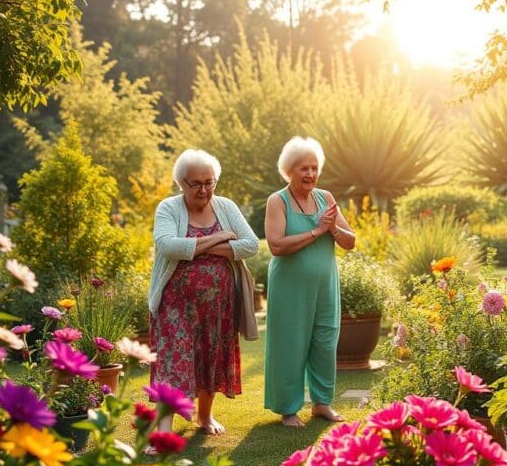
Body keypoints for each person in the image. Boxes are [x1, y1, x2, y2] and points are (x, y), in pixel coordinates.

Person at [147, 149, 259, 437]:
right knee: (174, 360)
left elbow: (250, 245)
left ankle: (204, 417)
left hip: (219, 305)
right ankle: (163, 431)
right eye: (196, 183)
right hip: (175, 303)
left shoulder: (225, 207)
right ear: (181, 183)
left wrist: (197, 247)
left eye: (209, 182)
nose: (204, 189)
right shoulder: (169, 208)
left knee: (211, 357)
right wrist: (220, 237)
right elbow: (168, 246)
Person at [264, 136, 356, 427]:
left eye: (314, 168)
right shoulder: (277, 201)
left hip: (325, 284)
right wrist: (317, 231)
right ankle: (288, 408)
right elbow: (276, 245)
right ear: (289, 170)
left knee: (325, 341)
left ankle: (321, 403)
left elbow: (350, 241)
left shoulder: (326, 198)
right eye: (304, 168)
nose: (310, 174)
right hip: (289, 287)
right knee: (290, 344)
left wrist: (334, 231)